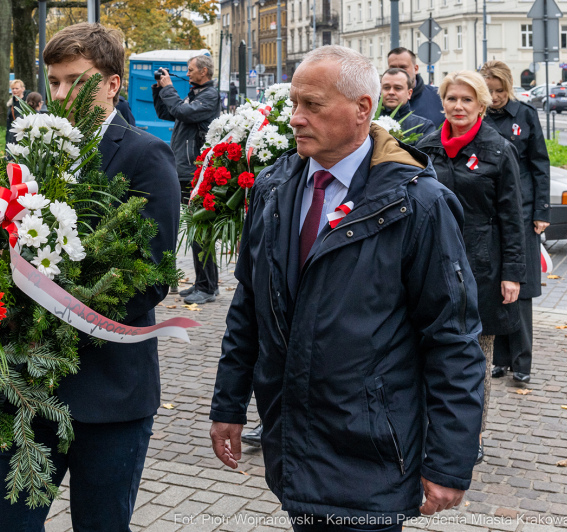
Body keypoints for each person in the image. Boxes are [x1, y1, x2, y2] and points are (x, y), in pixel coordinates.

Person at [210, 45, 485, 531]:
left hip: (372, 452)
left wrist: (448, 461)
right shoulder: (274, 188)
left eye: (312, 105)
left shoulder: (417, 203)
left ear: (363, 109)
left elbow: (452, 339)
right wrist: (228, 405)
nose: (295, 118)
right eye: (294, 103)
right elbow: (249, 306)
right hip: (293, 444)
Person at [0, 23, 179, 531]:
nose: (62, 94)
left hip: (109, 393)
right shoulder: (26, 153)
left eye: (75, 80)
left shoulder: (144, 155)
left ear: (112, 83)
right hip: (24, 393)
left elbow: (149, 275)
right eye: (56, 82)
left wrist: (55, 322)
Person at [416, 70, 525, 464]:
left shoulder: (498, 150)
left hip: (483, 268)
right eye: (451, 99)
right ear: (442, 102)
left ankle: (470, 436)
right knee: (428, 351)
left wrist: (513, 273)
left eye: (466, 100)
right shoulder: (427, 148)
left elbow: (513, 217)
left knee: (476, 357)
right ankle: (428, 428)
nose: (458, 106)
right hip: (432, 265)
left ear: (481, 105)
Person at [482, 60, 549, 384]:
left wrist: (541, 212)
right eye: (489, 91)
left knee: (519, 291)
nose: (494, 97)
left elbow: (540, 165)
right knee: (497, 287)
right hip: (492, 215)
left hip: (522, 213)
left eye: (499, 91)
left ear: (508, 87)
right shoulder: (480, 118)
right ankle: (501, 358)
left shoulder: (525, 115)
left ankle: (522, 362)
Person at [153, 54, 221, 304]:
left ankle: (207, 285)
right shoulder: (196, 93)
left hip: (196, 170)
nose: (188, 73)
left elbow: (182, 111)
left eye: (191, 70)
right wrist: (159, 89)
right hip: (187, 169)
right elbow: (168, 113)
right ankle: (204, 284)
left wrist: (169, 88)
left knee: (201, 229)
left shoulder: (209, 96)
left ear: (204, 72)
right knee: (196, 229)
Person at [387, 47, 443, 127]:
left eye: (403, 67)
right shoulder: (377, 102)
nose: (398, 72)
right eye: (393, 68)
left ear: (415, 69)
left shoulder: (438, 97)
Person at [380, 67, 434, 137]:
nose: (391, 92)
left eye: (398, 88)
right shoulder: (367, 122)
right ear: (380, 91)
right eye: (386, 87)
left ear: (409, 93)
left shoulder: (423, 127)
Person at [6, 78, 26, 143]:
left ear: (23, 89)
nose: (14, 90)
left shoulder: (26, 104)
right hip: (11, 134)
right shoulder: (11, 104)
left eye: (17, 88)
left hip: (22, 135)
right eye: (13, 88)